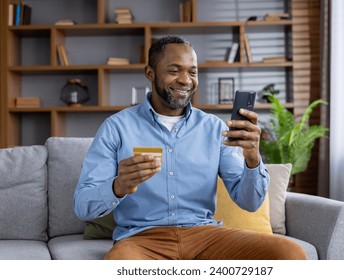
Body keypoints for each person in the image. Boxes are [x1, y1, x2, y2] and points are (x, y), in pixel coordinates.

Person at [73, 36, 307, 260]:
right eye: (174, 71)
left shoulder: (215, 128)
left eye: (192, 72)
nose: (185, 80)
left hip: (205, 235)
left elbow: (250, 202)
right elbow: (83, 206)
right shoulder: (116, 127)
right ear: (150, 74)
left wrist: (253, 160)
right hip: (142, 239)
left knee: (290, 254)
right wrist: (118, 186)